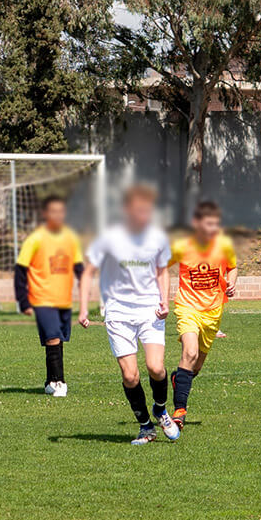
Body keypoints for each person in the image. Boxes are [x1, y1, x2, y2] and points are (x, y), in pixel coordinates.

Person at [79, 184, 178, 444]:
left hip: (150, 310)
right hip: (118, 313)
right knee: (130, 375)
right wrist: (82, 308)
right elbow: (88, 270)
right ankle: (146, 426)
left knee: (156, 367)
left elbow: (162, 270)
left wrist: (164, 301)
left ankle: (160, 408)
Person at [168, 200, 239, 429]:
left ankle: (179, 379)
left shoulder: (224, 245)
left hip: (213, 312)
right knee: (189, 352)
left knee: (195, 367)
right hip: (187, 307)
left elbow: (233, 267)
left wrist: (232, 283)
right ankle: (179, 412)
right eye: (208, 224)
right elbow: (159, 265)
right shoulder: (181, 246)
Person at [15, 194, 85, 396]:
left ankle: (50, 381)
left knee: (56, 338)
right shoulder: (35, 239)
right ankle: (61, 383)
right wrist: (23, 300)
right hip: (41, 298)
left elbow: (79, 267)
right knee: (53, 336)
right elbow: (21, 270)